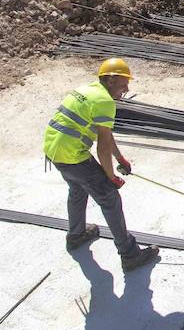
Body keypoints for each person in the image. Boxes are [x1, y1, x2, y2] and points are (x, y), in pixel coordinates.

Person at [44, 58, 159, 271]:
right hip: (73, 156)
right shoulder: (104, 102)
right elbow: (102, 148)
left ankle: (76, 235)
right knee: (110, 199)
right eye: (124, 83)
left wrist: (120, 159)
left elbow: (105, 135)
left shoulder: (88, 90)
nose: (126, 89)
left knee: (77, 190)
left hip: (54, 151)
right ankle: (130, 254)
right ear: (111, 79)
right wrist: (111, 177)